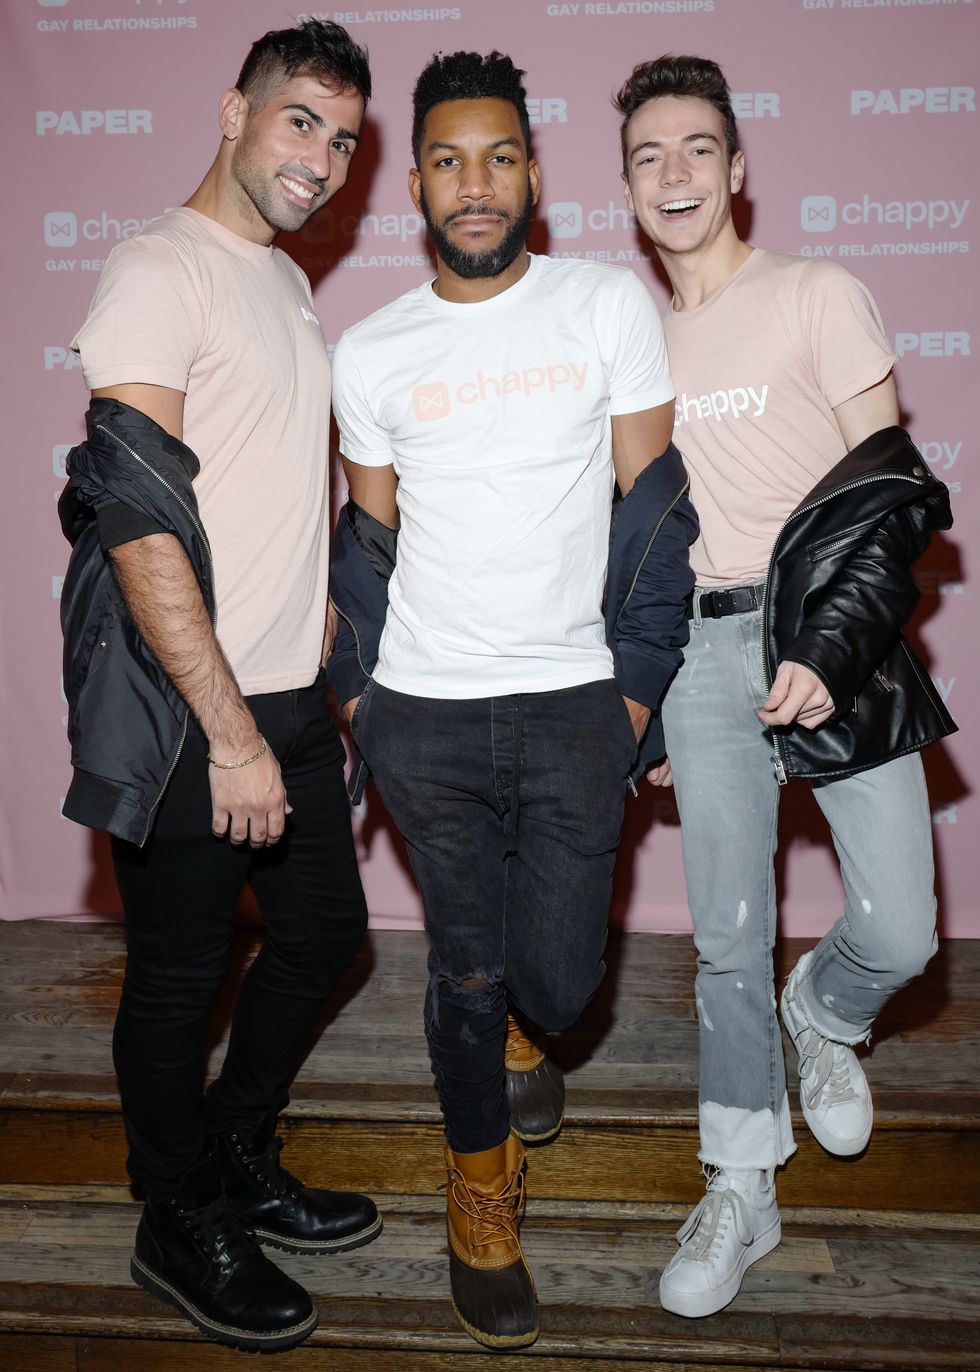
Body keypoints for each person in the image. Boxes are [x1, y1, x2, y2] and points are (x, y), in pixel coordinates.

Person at [326, 49, 696, 1351]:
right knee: (467, 971)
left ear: (534, 173)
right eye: (447, 159)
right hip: (424, 712)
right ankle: (479, 1198)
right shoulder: (371, 351)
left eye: (497, 158)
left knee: (558, 979)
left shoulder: (602, 305)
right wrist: (361, 702)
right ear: (415, 184)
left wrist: (634, 700)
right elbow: (367, 544)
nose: (473, 183)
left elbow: (656, 514)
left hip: (574, 704)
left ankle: (532, 1036)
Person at [614, 54, 956, 1319]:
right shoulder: (632, 349)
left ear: (737, 166)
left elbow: (895, 497)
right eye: (646, 156)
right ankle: (741, 1184)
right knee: (726, 937)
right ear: (626, 186)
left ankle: (823, 1009)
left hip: (829, 632)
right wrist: (642, 697)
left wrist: (828, 648)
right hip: (699, 651)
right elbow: (627, 540)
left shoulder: (817, 293)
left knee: (903, 931)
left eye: (695, 147)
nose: (673, 174)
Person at [58, 20, 381, 1354]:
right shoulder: (158, 267)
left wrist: (318, 635)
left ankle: (236, 1149)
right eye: (301, 120)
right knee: (178, 981)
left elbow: (258, 485)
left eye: (344, 139)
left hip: (289, 696)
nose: (323, 158)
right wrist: (231, 731)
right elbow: (136, 520)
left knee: (323, 936)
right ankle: (174, 1215)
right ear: (233, 113)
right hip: (200, 712)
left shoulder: (285, 281)